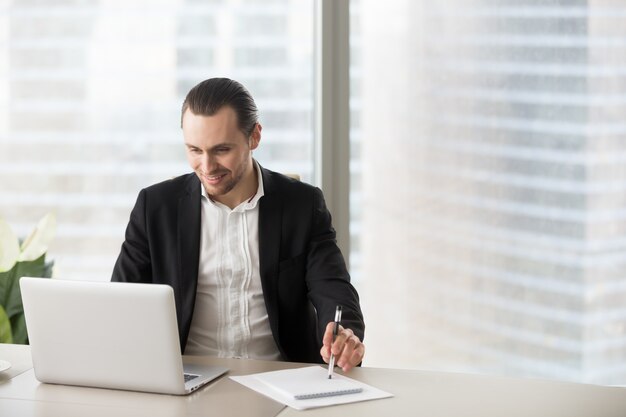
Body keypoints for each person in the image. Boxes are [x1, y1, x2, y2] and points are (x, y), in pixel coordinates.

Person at [111, 77, 365, 372]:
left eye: (221, 150)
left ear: (254, 137)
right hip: (186, 379)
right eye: (194, 150)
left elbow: (333, 288)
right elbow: (120, 304)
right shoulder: (155, 207)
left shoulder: (302, 205)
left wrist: (344, 333)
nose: (207, 167)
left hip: (280, 379)